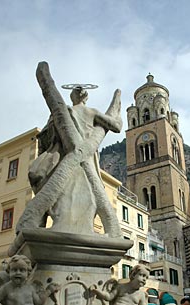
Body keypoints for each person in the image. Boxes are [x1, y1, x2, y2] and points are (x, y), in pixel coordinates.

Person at [15, 62, 122, 238]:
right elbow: (116, 126)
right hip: (83, 159)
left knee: (53, 192)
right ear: (85, 98)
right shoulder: (92, 112)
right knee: (88, 194)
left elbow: (47, 135)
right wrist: (117, 115)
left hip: (68, 158)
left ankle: (41, 223)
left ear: (72, 97)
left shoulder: (66, 111)